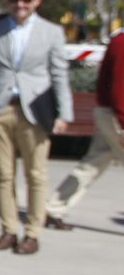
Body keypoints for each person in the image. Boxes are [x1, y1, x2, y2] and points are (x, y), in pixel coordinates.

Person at [0, 0, 72, 255]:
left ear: (37, 1)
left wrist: (64, 112)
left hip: (36, 110)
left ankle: (32, 233)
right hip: (0, 108)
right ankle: (8, 230)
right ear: (9, 0)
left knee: (36, 174)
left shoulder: (51, 32)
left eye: (27, 0)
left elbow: (59, 74)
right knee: (4, 175)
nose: (21, 5)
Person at [46, 26, 124, 225]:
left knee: (92, 164)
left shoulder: (119, 39)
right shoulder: (122, 42)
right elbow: (119, 88)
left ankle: (54, 207)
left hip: (109, 113)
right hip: (116, 115)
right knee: (92, 164)